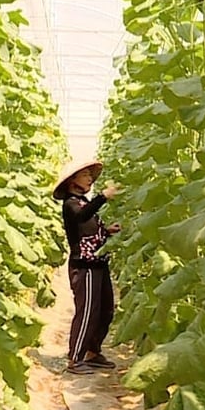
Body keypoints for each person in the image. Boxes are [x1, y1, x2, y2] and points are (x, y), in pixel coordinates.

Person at [53, 159, 122, 375]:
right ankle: (75, 359)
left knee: (105, 310)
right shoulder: (71, 204)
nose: (90, 178)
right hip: (85, 267)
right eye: (85, 175)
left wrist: (107, 231)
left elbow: (88, 229)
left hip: (98, 263)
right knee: (87, 312)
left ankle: (93, 352)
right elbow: (82, 217)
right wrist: (103, 196)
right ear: (72, 181)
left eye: (90, 175)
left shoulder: (83, 202)